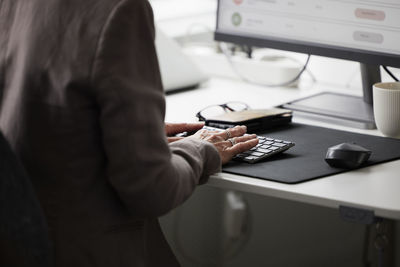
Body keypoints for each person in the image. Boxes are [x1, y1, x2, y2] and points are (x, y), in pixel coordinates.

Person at [0, 0, 258, 266]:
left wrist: (131, 132)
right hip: (82, 249)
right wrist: (200, 148)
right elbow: (153, 191)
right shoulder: (120, 9)